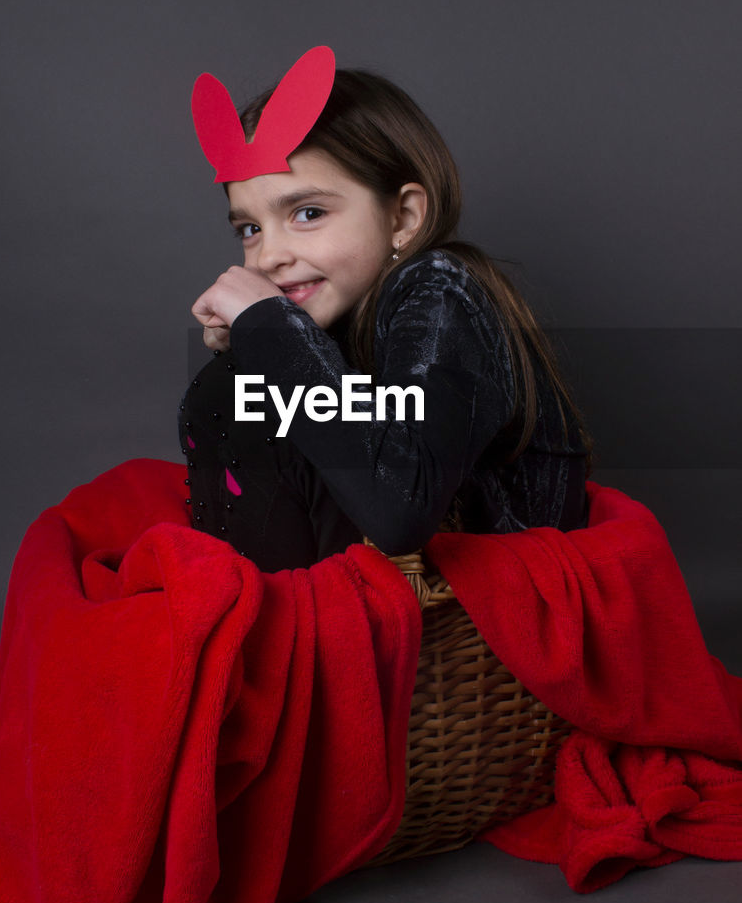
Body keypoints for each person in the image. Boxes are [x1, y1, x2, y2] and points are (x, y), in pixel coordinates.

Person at [180, 45, 594, 572]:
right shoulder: (344, 310)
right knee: (235, 388)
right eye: (250, 229)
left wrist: (273, 334)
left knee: (245, 393)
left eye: (308, 213)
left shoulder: (442, 289)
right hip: (356, 582)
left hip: (498, 582)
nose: (270, 256)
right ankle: (254, 611)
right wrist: (262, 344)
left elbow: (400, 511)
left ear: (403, 218)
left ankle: (288, 624)